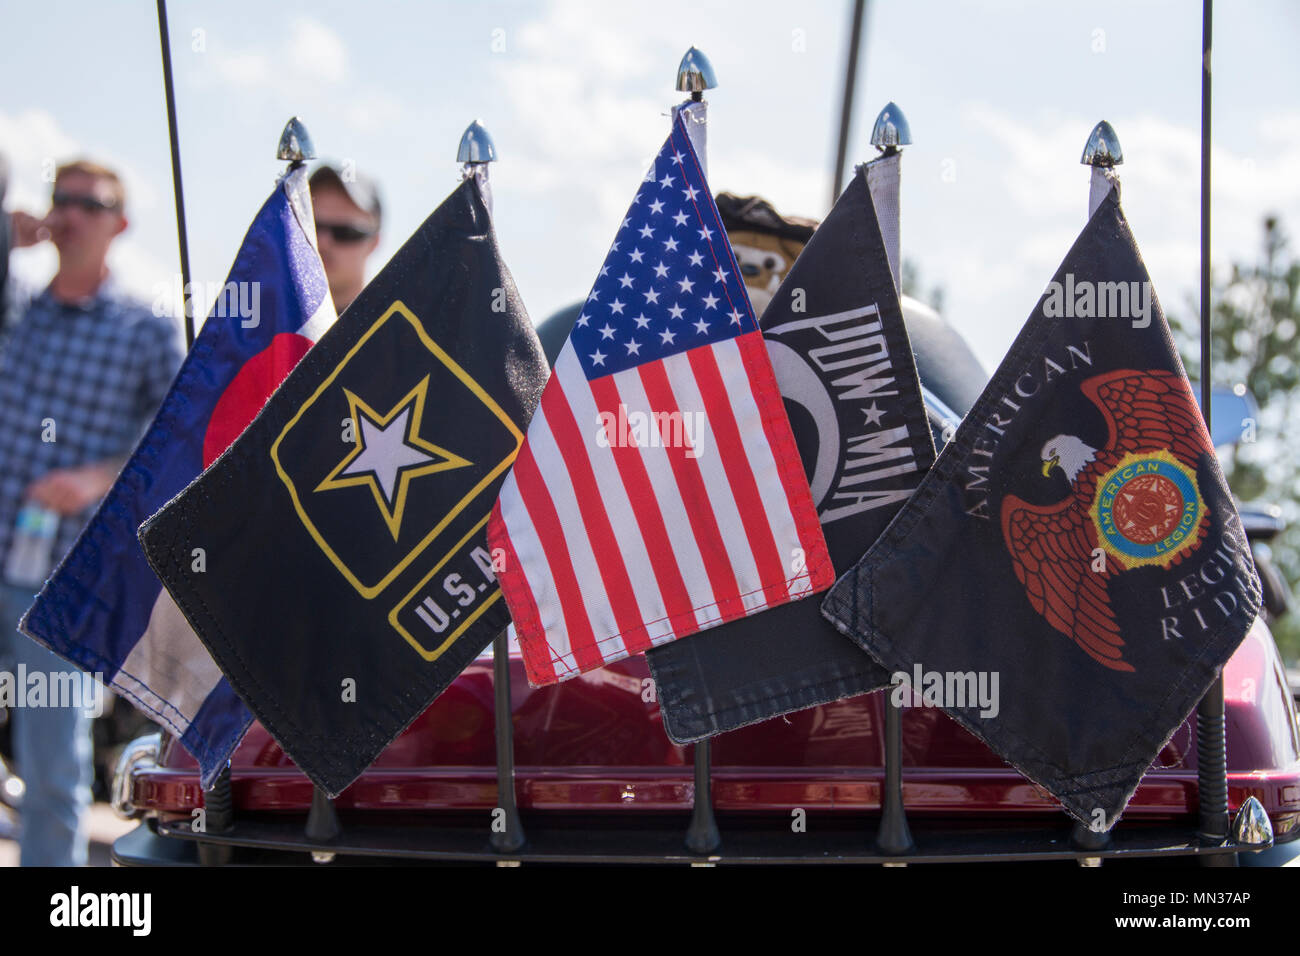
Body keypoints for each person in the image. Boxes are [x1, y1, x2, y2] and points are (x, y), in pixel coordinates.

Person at [0, 159, 184, 865]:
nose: (71, 213)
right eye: (61, 199)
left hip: (65, 580)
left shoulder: (143, 328)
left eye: (90, 202)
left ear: (121, 224)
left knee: (52, 768)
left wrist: (96, 478)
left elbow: (174, 441)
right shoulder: (15, 305)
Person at [308, 163, 382, 313]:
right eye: (313, 228)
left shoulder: (395, 331)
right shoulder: (263, 326)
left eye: (344, 232)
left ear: (373, 243)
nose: (323, 243)